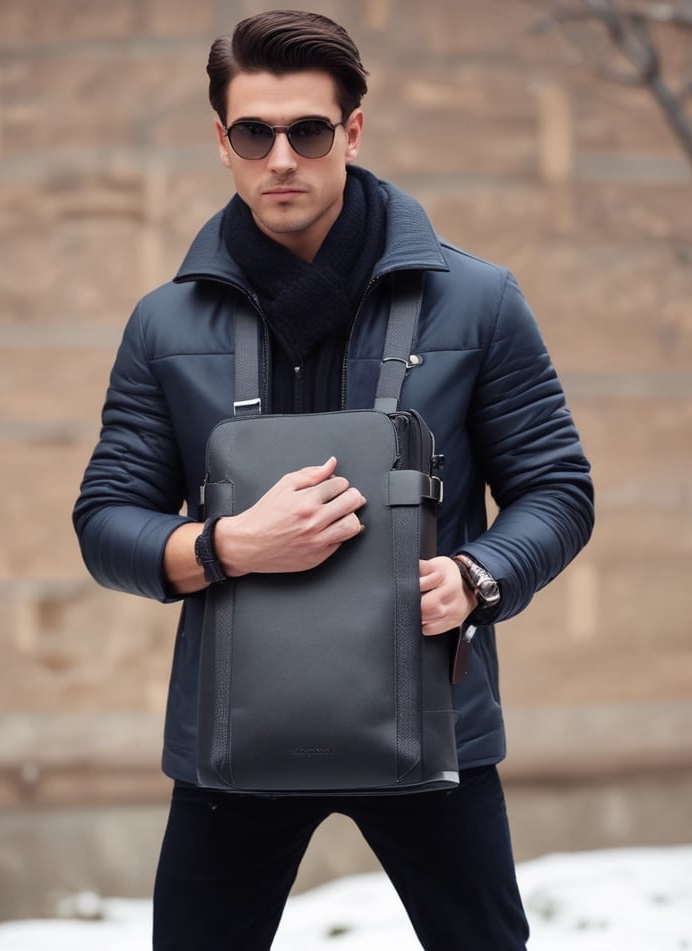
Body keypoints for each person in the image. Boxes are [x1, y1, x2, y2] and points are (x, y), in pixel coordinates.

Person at [73, 10, 594, 950]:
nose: (282, 157)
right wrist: (226, 545)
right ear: (221, 140)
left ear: (352, 131)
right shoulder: (162, 325)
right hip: (231, 749)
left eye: (308, 130)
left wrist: (478, 578)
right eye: (253, 132)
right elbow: (106, 519)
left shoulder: (480, 302)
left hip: (435, 733)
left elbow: (558, 488)